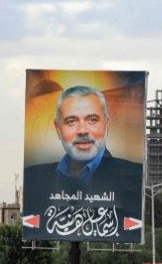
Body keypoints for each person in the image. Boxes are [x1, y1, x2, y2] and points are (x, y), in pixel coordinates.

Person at [22, 85, 143, 239]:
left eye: (92, 120)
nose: (82, 130)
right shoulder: (34, 178)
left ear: (106, 124)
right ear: (58, 128)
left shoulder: (133, 175)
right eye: (71, 121)